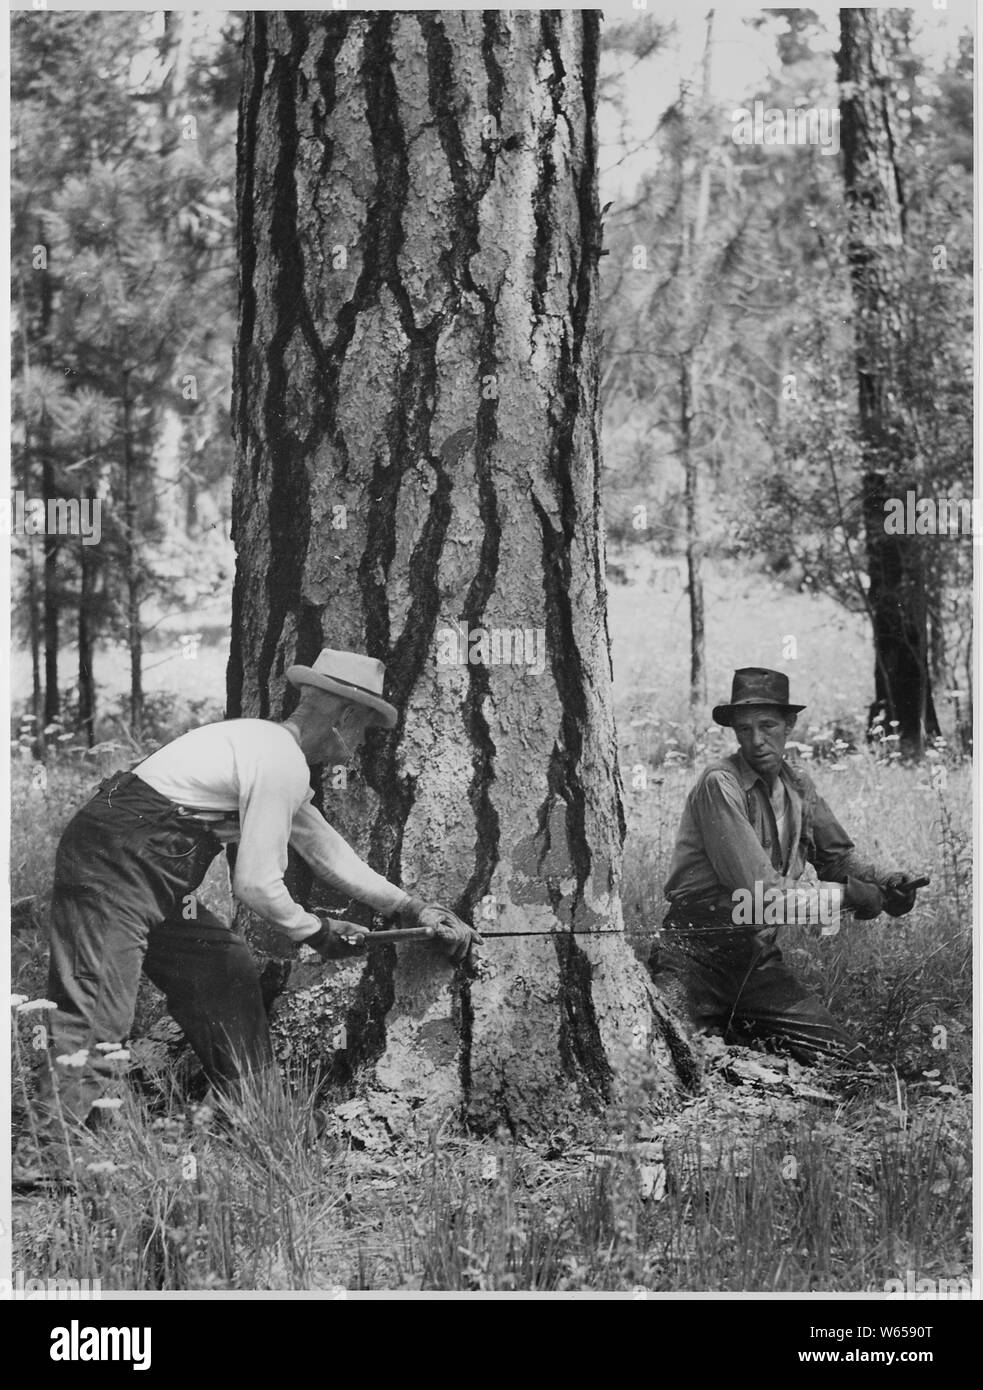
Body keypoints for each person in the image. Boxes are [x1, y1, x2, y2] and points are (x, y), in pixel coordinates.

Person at [27, 649, 478, 1175]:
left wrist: (408, 906)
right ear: (342, 719)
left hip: (152, 869)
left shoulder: (272, 754)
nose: (360, 744)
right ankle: (51, 1157)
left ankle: (258, 1114)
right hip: (115, 862)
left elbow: (326, 850)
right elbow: (256, 885)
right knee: (98, 1001)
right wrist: (317, 931)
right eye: (363, 729)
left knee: (220, 969)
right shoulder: (278, 760)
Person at [648, 668, 924, 1067]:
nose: (756, 741)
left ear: (789, 724)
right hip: (693, 959)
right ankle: (726, 1034)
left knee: (849, 1064)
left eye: (767, 726)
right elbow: (760, 896)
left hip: (756, 962)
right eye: (744, 730)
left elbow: (838, 859)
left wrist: (887, 882)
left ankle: (737, 1031)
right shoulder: (719, 784)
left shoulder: (798, 785)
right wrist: (853, 898)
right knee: (654, 1063)